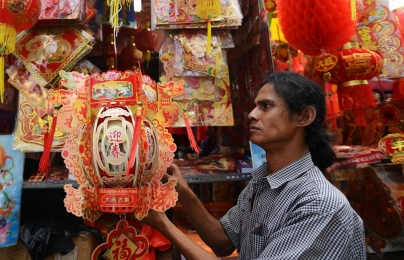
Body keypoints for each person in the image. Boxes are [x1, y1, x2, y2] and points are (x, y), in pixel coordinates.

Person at [143, 72, 366, 259]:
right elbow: (223, 241)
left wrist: (163, 223)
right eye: (254, 106)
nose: (251, 115)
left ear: (304, 116)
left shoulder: (318, 203)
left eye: (266, 106)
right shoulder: (262, 183)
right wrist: (183, 193)